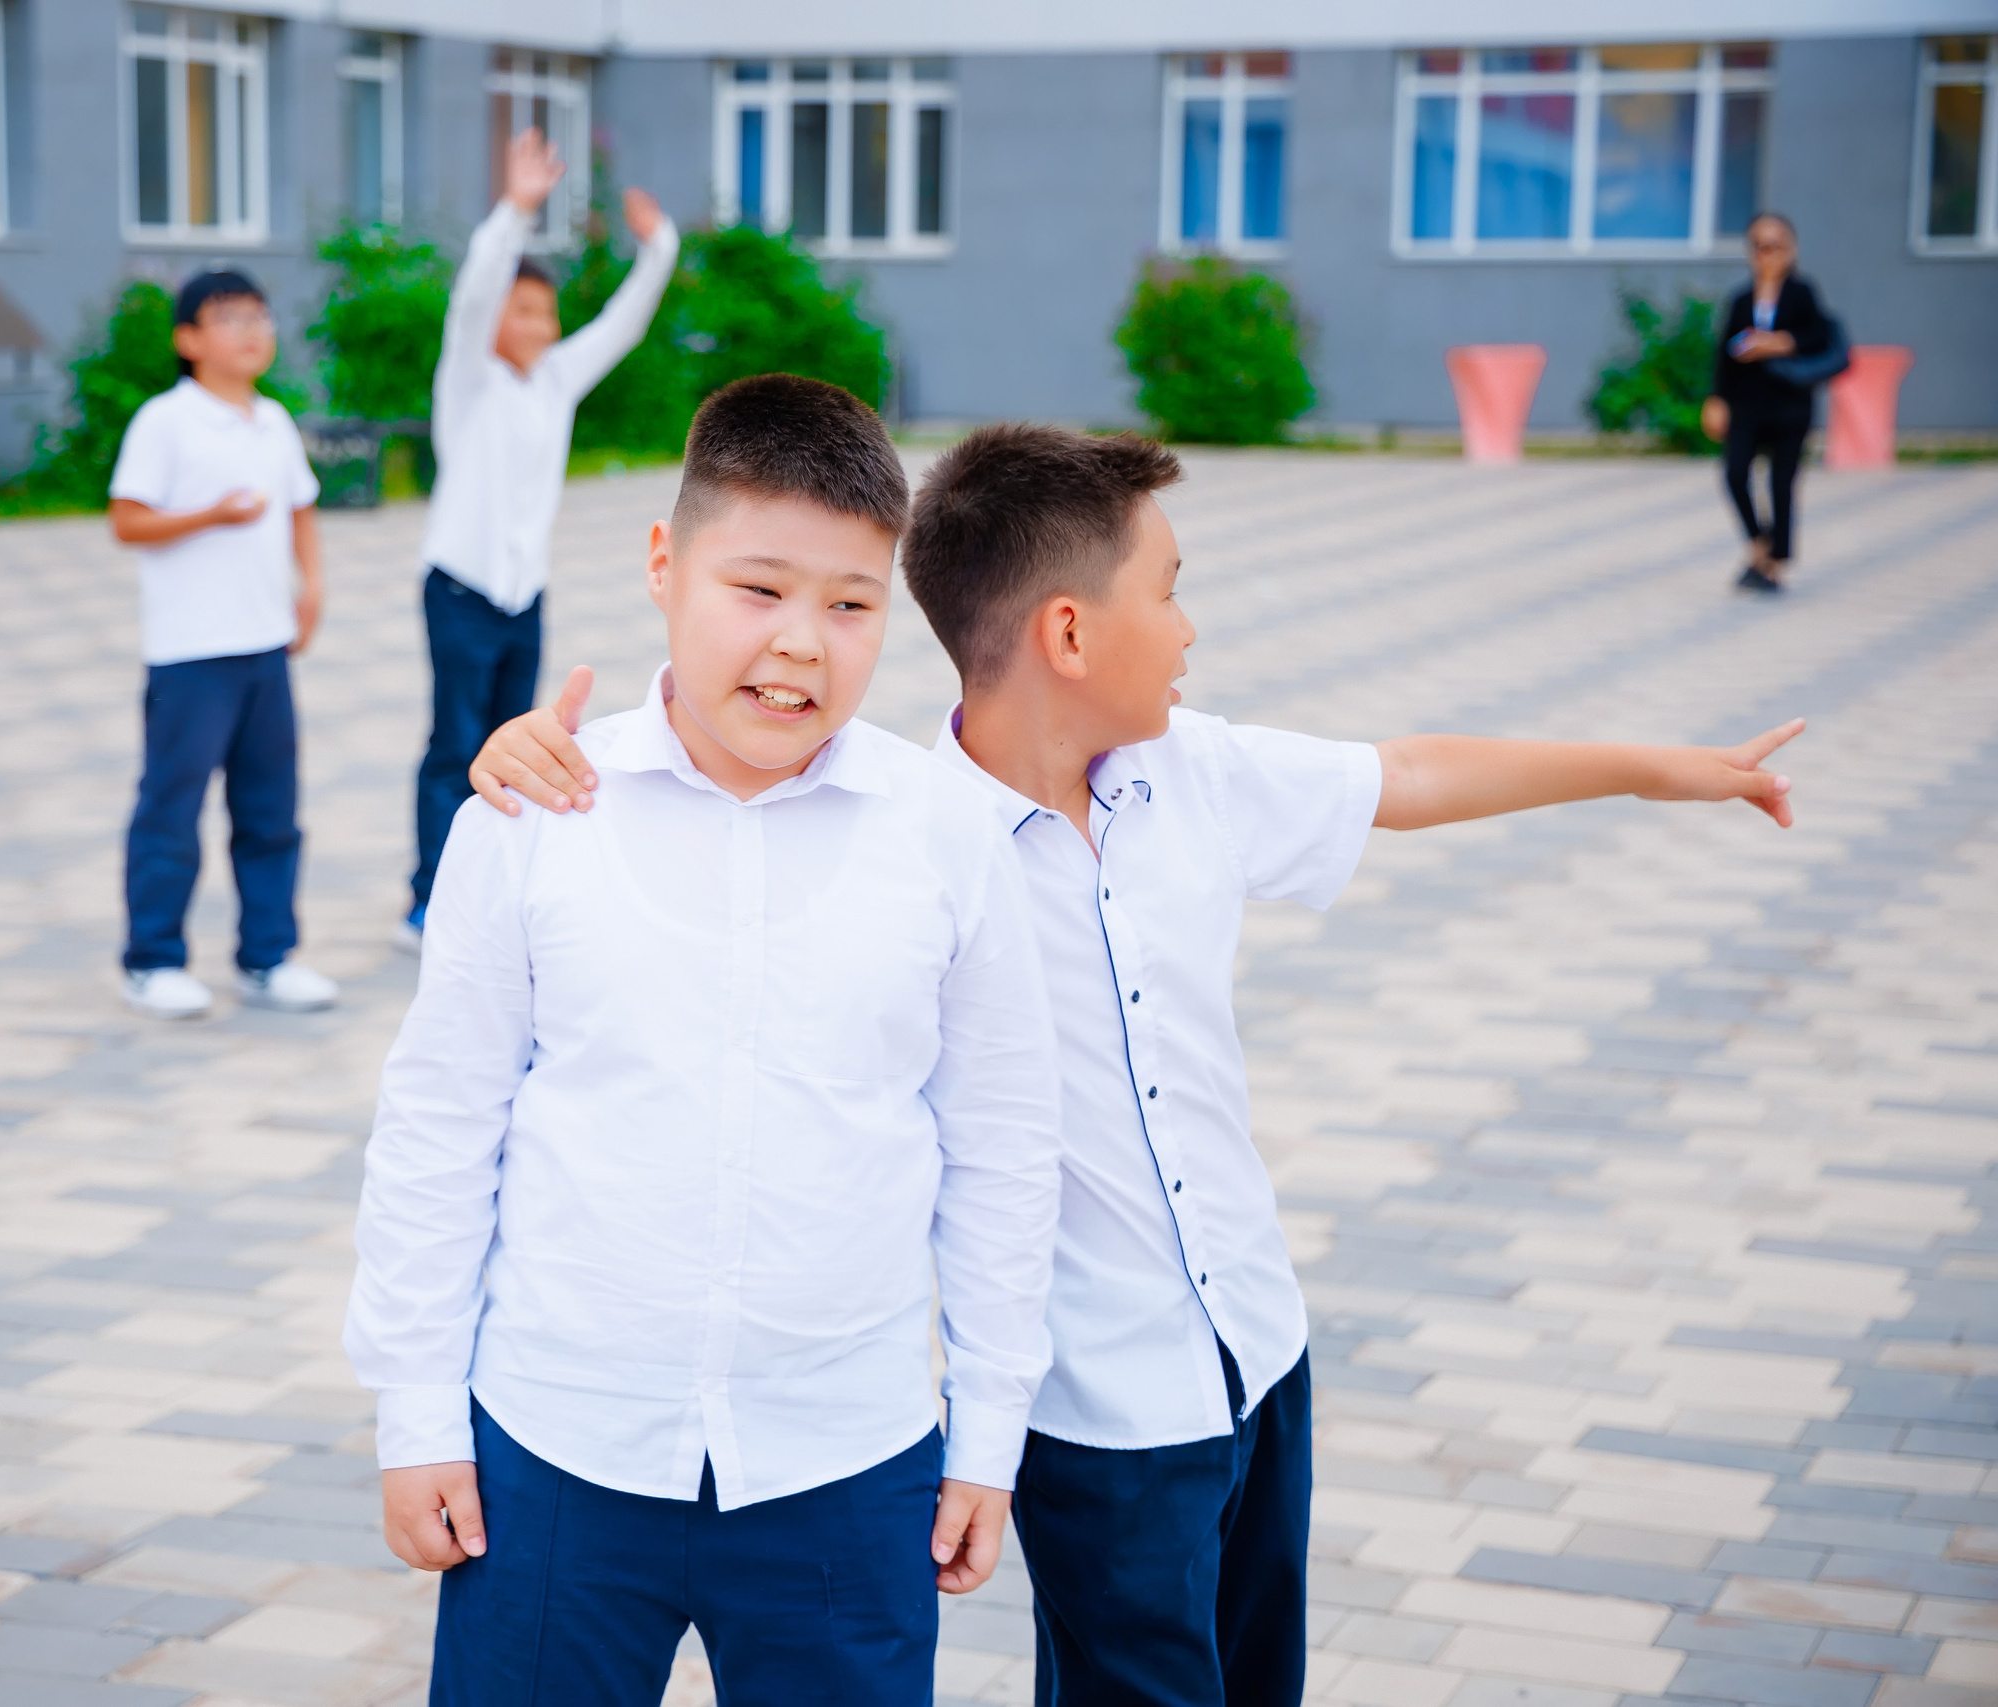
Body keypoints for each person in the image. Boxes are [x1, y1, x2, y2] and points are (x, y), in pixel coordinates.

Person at [470, 424, 1805, 1707]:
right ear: (1068, 629)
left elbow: (1405, 772)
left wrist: (1648, 768)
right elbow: (725, 922)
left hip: (1258, 1351)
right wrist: (549, 761)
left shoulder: (1194, 772)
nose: (1188, 628)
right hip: (1097, 1409)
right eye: (1169, 591)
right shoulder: (916, 844)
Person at [342, 377, 1062, 1707]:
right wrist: (416, 1411)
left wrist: (992, 1428)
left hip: (846, 1461)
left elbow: (1006, 1143)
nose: (803, 645)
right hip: (552, 1452)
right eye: (760, 588)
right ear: (665, 565)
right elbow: (442, 1123)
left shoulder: (949, 833)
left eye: (851, 604)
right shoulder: (537, 810)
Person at [394, 126, 680, 953]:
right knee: (454, 742)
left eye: (547, 309)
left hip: (524, 594)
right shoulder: (469, 382)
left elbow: (621, 328)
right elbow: (473, 296)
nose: (541, 322)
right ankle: (428, 898)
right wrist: (516, 211)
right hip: (459, 589)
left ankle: (495, 882)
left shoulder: (554, 383)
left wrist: (657, 246)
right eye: (524, 308)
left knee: (512, 737)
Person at [107, 269, 337, 1020]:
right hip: (189, 653)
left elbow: (300, 509)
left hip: (263, 647)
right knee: (172, 808)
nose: (250, 331)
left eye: (260, 316)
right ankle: (152, 960)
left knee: (272, 810)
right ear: (188, 339)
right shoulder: (165, 422)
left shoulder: (271, 420)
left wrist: (311, 586)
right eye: (229, 317)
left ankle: (268, 956)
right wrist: (209, 515)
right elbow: (127, 520)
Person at [1702, 211, 1838, 595]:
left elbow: (1819, 337)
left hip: (1789, 405)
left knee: (1782, 483)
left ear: (1791, 249)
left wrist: (1777, 342)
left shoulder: (1803, 293)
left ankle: (1773, 564)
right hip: (1747, 403)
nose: (1768, 255)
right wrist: (1717, 399)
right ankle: (1760, 543)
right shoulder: (1741, 300)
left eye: (1775, 246)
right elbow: (1724, 353)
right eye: (1759, 247)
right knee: (1734, 473)